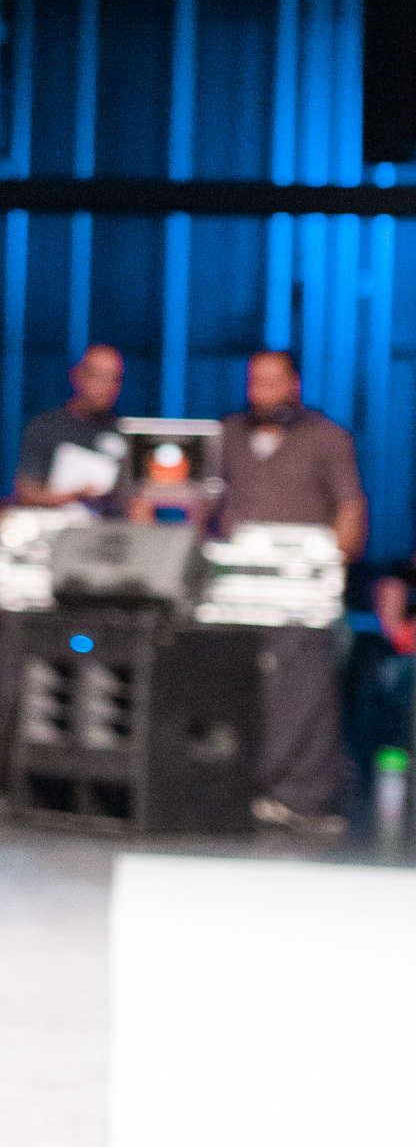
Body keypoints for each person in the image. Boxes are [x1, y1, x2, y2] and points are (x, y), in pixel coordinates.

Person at [218, 349, 367, 836]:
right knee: (231, 684)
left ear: (293, 384)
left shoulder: (326, 437)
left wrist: (330, 566)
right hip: (234, 586)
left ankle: (299, 797)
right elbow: (200, 497)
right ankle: (229, 786)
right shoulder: (228, 433)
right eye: (253, 381)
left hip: (299, 588)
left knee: (301, 692)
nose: (260, 392)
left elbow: (350, 506)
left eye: (271, 382)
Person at [14, 344, 129, 510]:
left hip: (112, 525)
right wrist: (76, 495)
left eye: (115, 378)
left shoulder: (125, 431)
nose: (108, 385)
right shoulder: (46, 427)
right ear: (78, 376)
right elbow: (26, 492)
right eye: (99, 376)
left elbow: (135, 496)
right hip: (54, 522)